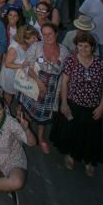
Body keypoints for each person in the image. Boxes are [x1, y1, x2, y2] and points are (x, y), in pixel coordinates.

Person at [50, 32, 103, 177]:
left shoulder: (99, 63)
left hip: (93, 108)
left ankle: (90, 161)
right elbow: (64, 82)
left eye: (86, 46)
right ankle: (71, 155)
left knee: (92, 136)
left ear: (92, 47)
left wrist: (101, 106)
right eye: (80, 46)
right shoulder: (71, 61)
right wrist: (64, 103)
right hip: (75, 105)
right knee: (73, 131)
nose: (83, 49)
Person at [18, 22, 69, 153]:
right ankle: (24, 132)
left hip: (51, 90)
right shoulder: (36, 46)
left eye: (50, 33)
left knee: (43, 118)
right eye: (44, 34)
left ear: (56, 34)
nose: (47, 37)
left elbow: (65, 74)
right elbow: (27, 66)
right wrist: (39, 83)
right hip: (34, 85)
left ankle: (40, 138)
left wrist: (60, 95)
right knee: (28, 111)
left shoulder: (64, 51)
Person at [0, 25, 39, 106]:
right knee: (8, 96)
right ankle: (7, 110)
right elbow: (7, 64)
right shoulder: (15, 48)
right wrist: (21, 65)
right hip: (10, 76)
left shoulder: (29, 44)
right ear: (25, 39)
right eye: (34, 38)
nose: (37, 39)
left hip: (20, 76)